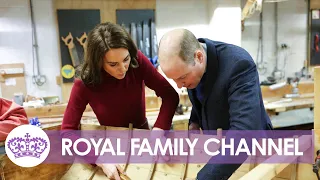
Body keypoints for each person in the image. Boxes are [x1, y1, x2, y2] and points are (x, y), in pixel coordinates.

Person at [61, 22, 179, 180]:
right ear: (98, 62)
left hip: (144, 142)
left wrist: (158, 131)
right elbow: (67, 133)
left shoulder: (138, 62)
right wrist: (98, 159)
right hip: (111, 149)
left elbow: (170, 95)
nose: (123, 68)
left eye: (126, 59)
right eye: (113, 64)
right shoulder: (84, 83)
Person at [158, 29, 273, 180]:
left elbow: (245, 132)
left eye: (182, 78)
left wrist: (205, 177)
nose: (179, 86)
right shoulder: (192, 65)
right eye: (174, 80)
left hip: (253, 156)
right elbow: (205, 96)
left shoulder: (238, 64)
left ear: (199, 57)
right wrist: (195, 122)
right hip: (220, 155)